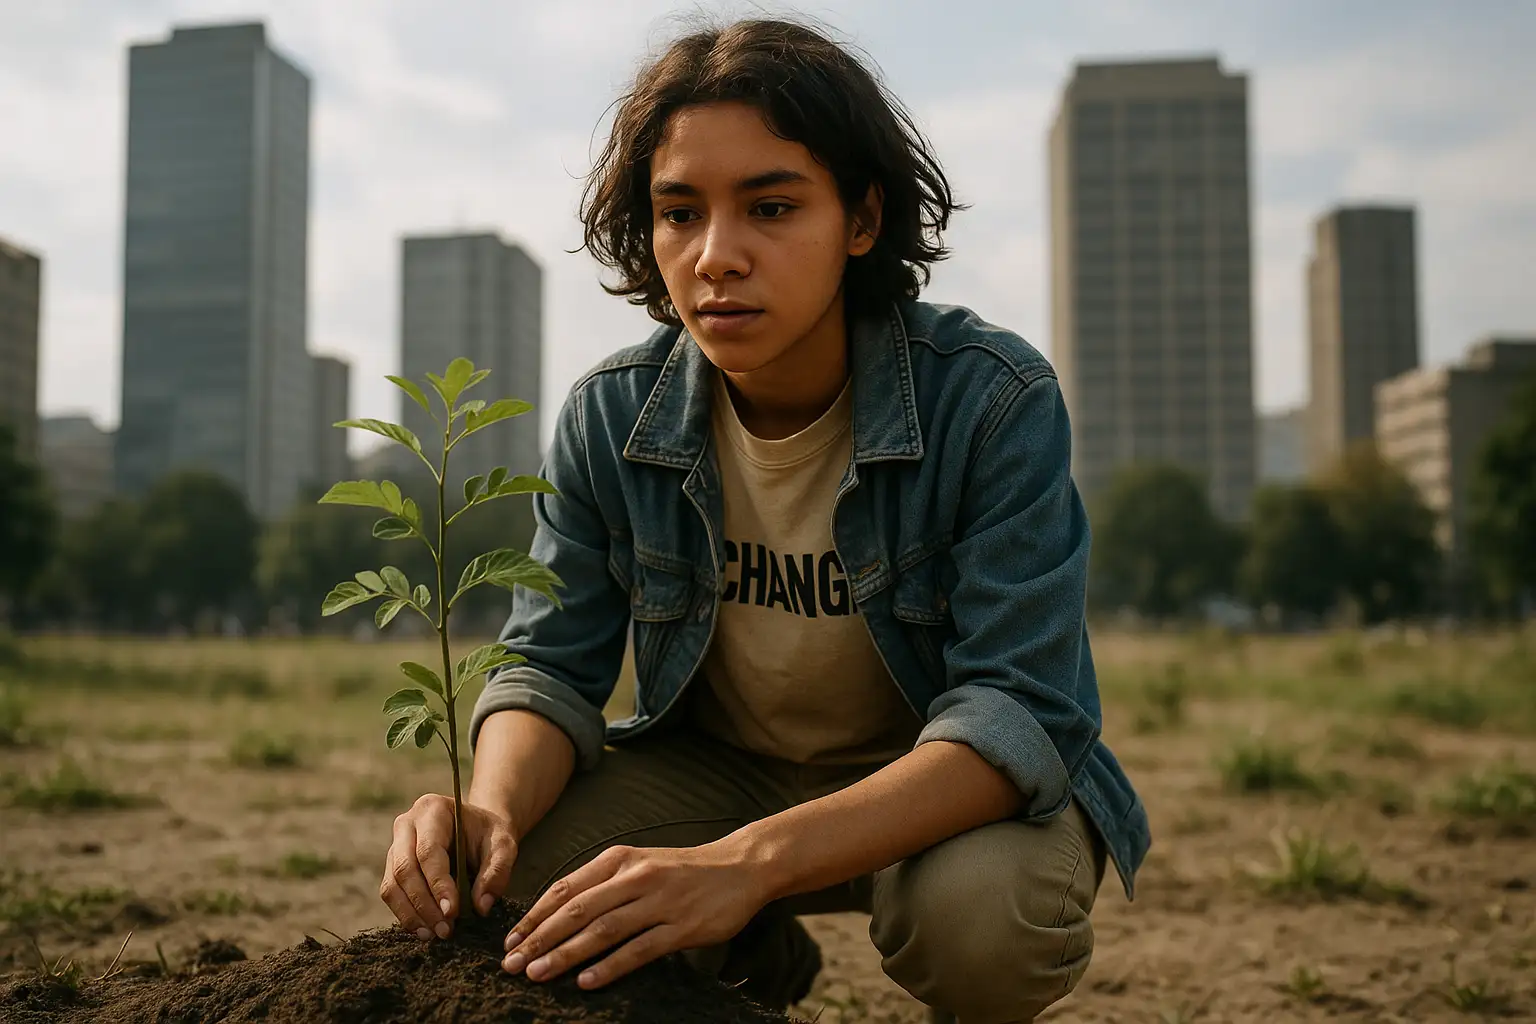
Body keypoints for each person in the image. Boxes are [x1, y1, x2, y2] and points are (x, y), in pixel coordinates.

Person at [380, 16, 1149, 1024]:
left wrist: (746, 865)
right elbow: (551, 665)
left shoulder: (991, 400)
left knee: (982, 924)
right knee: (510, 902)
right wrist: (488, 810)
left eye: (772, 206)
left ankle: (744, 902)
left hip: (937, 787)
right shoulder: (614, 414)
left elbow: (1019, 712)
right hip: (720, 771)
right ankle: (748, 948)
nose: (715, 257)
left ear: (861, 220)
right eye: (679, 213)